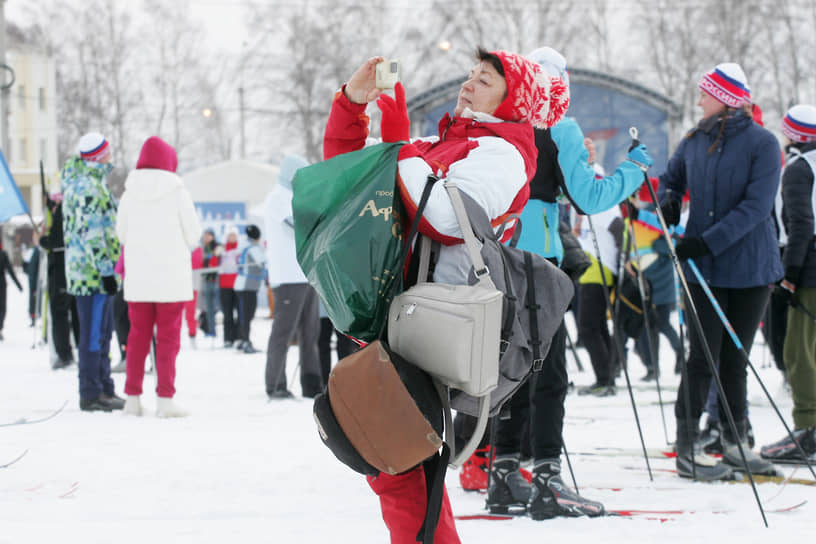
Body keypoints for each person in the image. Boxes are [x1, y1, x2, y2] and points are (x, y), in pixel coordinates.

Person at [323, 47, 569, 542]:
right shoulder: (449, 141)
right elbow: (350, 172)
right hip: (393, 307)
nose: (468, 84)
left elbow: (444, 217)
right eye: (471, 74)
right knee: (390, 457)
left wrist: (398, 144)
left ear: (512, 101)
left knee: (396, 456)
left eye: (485, 80)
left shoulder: (507, 154)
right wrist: (351, 103)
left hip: (429, 319)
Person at [483, 46, 650, 520]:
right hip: (539, 262)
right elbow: (590, 197)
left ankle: (504, 474)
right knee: (550, 374)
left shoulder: (501, 121)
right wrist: (635, 169)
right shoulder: (560, 125)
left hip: (497, 259)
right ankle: (548, 480)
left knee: (510, 372)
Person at [658, 63, 782, 479]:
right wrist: (669, 200)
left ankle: (734, 440)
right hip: (702, 268)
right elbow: (669, 180)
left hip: (748, 266)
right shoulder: (693, 140)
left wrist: (707, 240)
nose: (698, 101)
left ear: (725, 99)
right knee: (702, 358)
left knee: (734, 358)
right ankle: (688, 443)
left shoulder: (763, 144)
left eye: (704, 94)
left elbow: (757, 207)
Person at [116, 136, 201, 418]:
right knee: (168, 340)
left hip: (138, 280)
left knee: (137, 337)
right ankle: (165, 400)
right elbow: (193, 235)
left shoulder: (128, 194)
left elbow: (121, 235)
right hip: (171, 280)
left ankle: (132, 399)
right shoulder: (178, 192)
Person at [760, 104, 816, 463]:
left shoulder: (799, 168)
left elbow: (801, 224)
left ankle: (807, 430)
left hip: (810, 267)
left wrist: (790, 275)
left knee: (799, 350)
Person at [61, 132, 124, 412]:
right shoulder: (87, 186)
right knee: (93, 335)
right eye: (108, 153)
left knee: (103, 333)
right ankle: (91, 391)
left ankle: (104, 387)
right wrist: (106, 269)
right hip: (91, 276)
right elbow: (91, 233)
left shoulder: (94, 183)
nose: (111, 158)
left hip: (96, 273)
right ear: (99, 156)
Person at [263, 155, 322, 399]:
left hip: (305, 274)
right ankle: (275, 384)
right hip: (288, 277)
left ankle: (311, 384)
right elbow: (298, 227)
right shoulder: (278, 197)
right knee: (283, 333)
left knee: (311, 333)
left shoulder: (295, 196)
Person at [39, 191, 80, 368]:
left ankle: (65, 355)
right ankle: (77, 350)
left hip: (61, 271)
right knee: (75, 312)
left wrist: (42, 239)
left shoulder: (64, 211)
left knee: (60, 313)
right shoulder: (74, 208)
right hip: (73, 270)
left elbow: (55, 241)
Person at [233, 223, 266, 354]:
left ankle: (241, 339)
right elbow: (263, 262)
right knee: (247, 315)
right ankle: (245, 341)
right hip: (248, 286)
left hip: (242, 285)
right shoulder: (253, 248)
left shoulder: (244, 246)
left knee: (243, 315)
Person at [218, 226, 241, 348]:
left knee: (239, 312)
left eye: (234, 235)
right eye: (230, 235)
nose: (232, 237)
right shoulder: (221, 250)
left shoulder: (240, 249)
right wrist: (216, 255)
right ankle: (228, 339)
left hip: (238, 285)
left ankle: (238, 337)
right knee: (227, 314)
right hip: (224, 285)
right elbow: (213, 263)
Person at [197, 228, 220, 339]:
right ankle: (211, 329)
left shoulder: (217, 247)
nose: (206, 238)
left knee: (217, 307)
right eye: (204, 235)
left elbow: (216, 261)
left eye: (208, 235)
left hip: (217, 280)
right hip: (206, 280)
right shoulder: (203, 248)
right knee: (208, 307)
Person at [0, 239, 23, 340]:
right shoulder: (3, 254)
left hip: (2, 285)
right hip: (1, 285)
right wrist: (18, 285)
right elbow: (10, 270)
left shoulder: (3, 254)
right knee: (2, 308)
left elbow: (10, 269)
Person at [23, 228, 42, 327]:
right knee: (32, 302)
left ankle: (36, 317)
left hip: (37, 282)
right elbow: (26, 268)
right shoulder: (33, 251)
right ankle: (33, 317)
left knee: (36, 302)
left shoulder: (39, 251)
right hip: (32, 281)